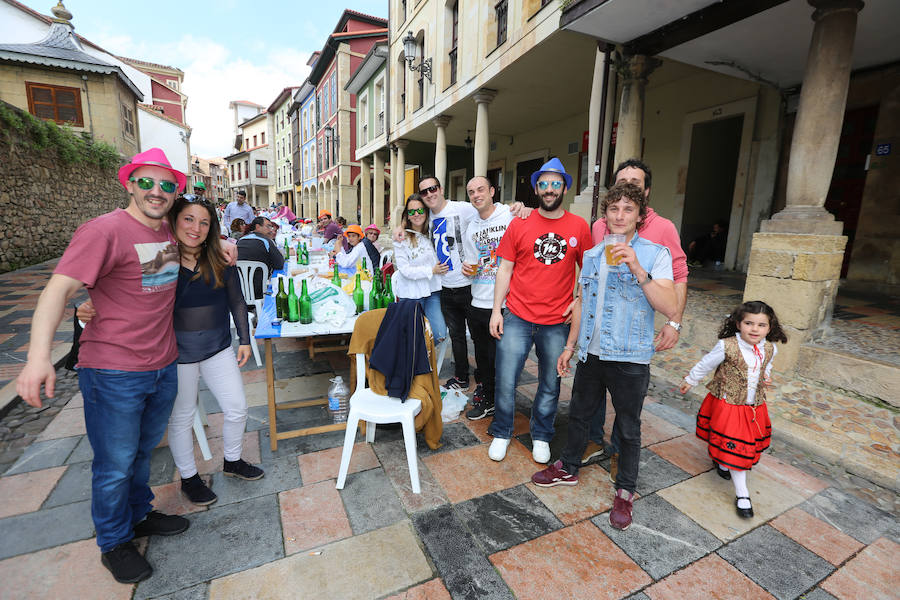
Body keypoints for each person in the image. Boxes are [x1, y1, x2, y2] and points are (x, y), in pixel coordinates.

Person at [15, 148, 191, 583]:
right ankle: (114, 541)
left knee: (140, 453)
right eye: (146, 182)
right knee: (113, 463)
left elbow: (149, 284)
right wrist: (38, 358)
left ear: (176, 192)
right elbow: (57, 290)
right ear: (129, 183)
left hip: (162, 364)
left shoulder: (167, 231)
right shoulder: (104, 231)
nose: (156, 191)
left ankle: (137, 515)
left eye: (166, 185)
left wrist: (222, 243)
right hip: (114, 371)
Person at [532, 181, 677, 533]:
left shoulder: (657, 254)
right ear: (606, 215)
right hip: (592, 354)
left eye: (628, 209)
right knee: (579, 413)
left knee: (628, 427)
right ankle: (567, 466)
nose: (620, 215)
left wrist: (638, 270)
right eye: (614, 209)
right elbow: (582, 303)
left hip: (630, 356)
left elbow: (670, 305)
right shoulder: (595, 254)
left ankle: (625, 489)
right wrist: (570, 346)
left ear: (640, 215)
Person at [576, 158, 689, 479]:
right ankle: (594, 443)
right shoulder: (601, 227)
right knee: (588, 403)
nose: (621, 211)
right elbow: (592, 281)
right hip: (599, 340)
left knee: (628, 417)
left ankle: (623, 470)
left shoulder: (663, 229)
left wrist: (674, 323)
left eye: (635, 184)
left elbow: (678, 277)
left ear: (645, 195)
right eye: (620, 184)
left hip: (632, 340)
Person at [487, 158, 592, 464]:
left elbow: (587, 272)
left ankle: (542, 435)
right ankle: (502, 431)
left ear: (565, 188)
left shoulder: (578, 227)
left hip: (556, 321)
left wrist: (579, 299)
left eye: (555, 184)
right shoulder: (519, 223)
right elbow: (504, 268)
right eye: (543, 184)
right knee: (505, 379)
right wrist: (497, 310)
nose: (549, 190)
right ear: (536, 188)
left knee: (550, 381)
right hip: (517, 315)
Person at [679, 300, 787, 518]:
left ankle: (723, 462)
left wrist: (766, 376)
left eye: (761, 325)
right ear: (738, 324)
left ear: (770, 327)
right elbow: (706, 363)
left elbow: (767, 365)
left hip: (754, 407)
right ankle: (742, 494)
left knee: (737, 447)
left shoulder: (769, 348)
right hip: (729, 405)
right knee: (738, 450)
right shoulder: (726, 345)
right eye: (749, 323)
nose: (755, 329)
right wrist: (691, 379)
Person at [417, 175, 480, 390]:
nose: (429, 194)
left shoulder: (462, 208)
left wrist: (518, 208)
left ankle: (484, 376)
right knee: (457, 336)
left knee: (479, 334)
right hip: (444, 287)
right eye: (424, 192)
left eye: (432, 188)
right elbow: (409, 226)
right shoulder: (426, 219)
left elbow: (490, 212)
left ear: (440, 189)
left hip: (468, 285)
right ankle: (462, 377)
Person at [461, 176, 512, 420]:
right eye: (471, 192)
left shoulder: (509, 215)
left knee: (502, 358)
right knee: (482, 357)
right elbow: (472, 262)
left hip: (505, 303)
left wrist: (525, 207)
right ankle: (489, 398)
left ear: (492, 191)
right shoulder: (471, 226)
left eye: (481, 189)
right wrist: (466, 269)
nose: (476, 195)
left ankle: (504, 406)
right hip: (477, 300)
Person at [391, 194, 448, 346]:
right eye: (411, 212)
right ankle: (416, 364)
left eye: (420, 210)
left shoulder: (432, 232)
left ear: (426, 211)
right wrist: (432, 270)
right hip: (412, 294)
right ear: (407, 216)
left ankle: (422, 358)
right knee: (412, 337)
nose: (416, 214)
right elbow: (404, 270)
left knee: (439, 333)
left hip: (432, 291)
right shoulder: (401, 237)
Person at [236, 216, 284, 298]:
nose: (270, 230)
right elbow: (279, 264)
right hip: (261, 290)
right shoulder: (266, 241)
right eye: (268, 226)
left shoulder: (240, 241)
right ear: (258, 227)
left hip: (239, 289)